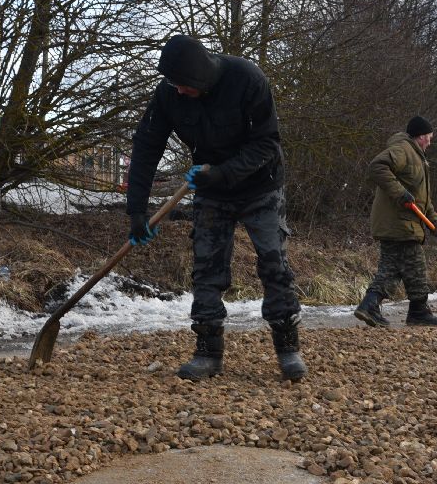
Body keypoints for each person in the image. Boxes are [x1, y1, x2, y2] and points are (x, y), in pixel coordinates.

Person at [124, 34, 306, 381]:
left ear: (201, 78)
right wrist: (136, 211)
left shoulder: (247, 79)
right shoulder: (169, 95)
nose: (177, 90)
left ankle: (287, 348)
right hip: (211, 189)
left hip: (259, 184)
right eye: (172, 83)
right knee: (206, 266)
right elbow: (146, 147)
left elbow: (267, 142)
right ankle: (208, 352)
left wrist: (223, 174)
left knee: (273, 263)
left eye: (183, 84)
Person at [353, 116, 437, 328]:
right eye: (429, 138)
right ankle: (378, 307)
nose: (430, 143)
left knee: (404, 268)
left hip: (406, 224)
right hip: (398, 224)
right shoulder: (404, 150)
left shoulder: (418, 158)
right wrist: (399, 193)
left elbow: (422, 200)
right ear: (421, 137)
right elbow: (377, 166)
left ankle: (413, 310)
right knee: (404, 267)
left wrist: (435, 223)